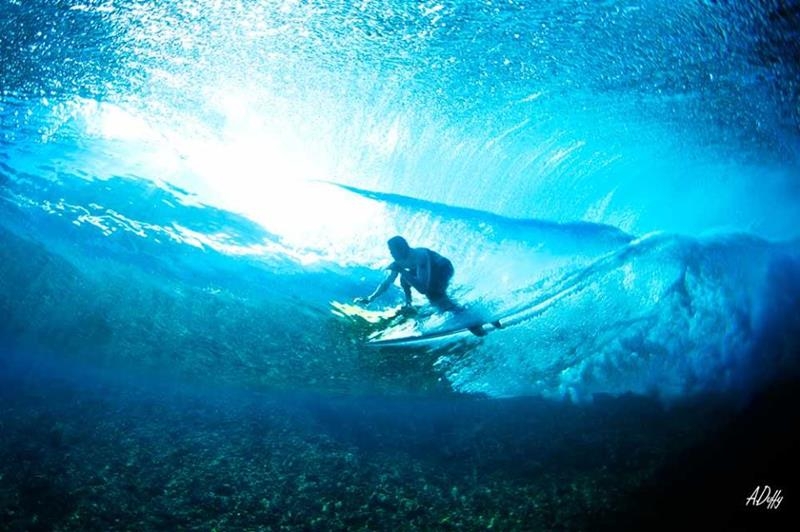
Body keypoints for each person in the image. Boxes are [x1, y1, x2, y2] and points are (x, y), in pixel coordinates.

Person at [355, 236, 458, 312]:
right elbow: (388, 282)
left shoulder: (420, 256)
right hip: (427, 269)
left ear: (402, 249)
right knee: (404, 278)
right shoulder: (399, 261)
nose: (391, 253)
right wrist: (370, 298)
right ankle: (409, 303)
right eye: (390, 251)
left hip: (443, 268)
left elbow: (422, 289)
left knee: (433, 295)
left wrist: (402, 270)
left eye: (393, 251)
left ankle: (462, 315)